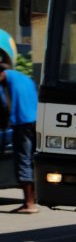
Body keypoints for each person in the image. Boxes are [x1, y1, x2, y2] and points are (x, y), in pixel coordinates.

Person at [0, 65, 38, 214]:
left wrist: (3, 123)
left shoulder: (6, 83)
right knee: (31, 161)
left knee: (22, 161)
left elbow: (3, 105)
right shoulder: (25, 79)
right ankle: (32, 201)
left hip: (22, 123)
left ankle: (29, 204)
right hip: (35, 121)